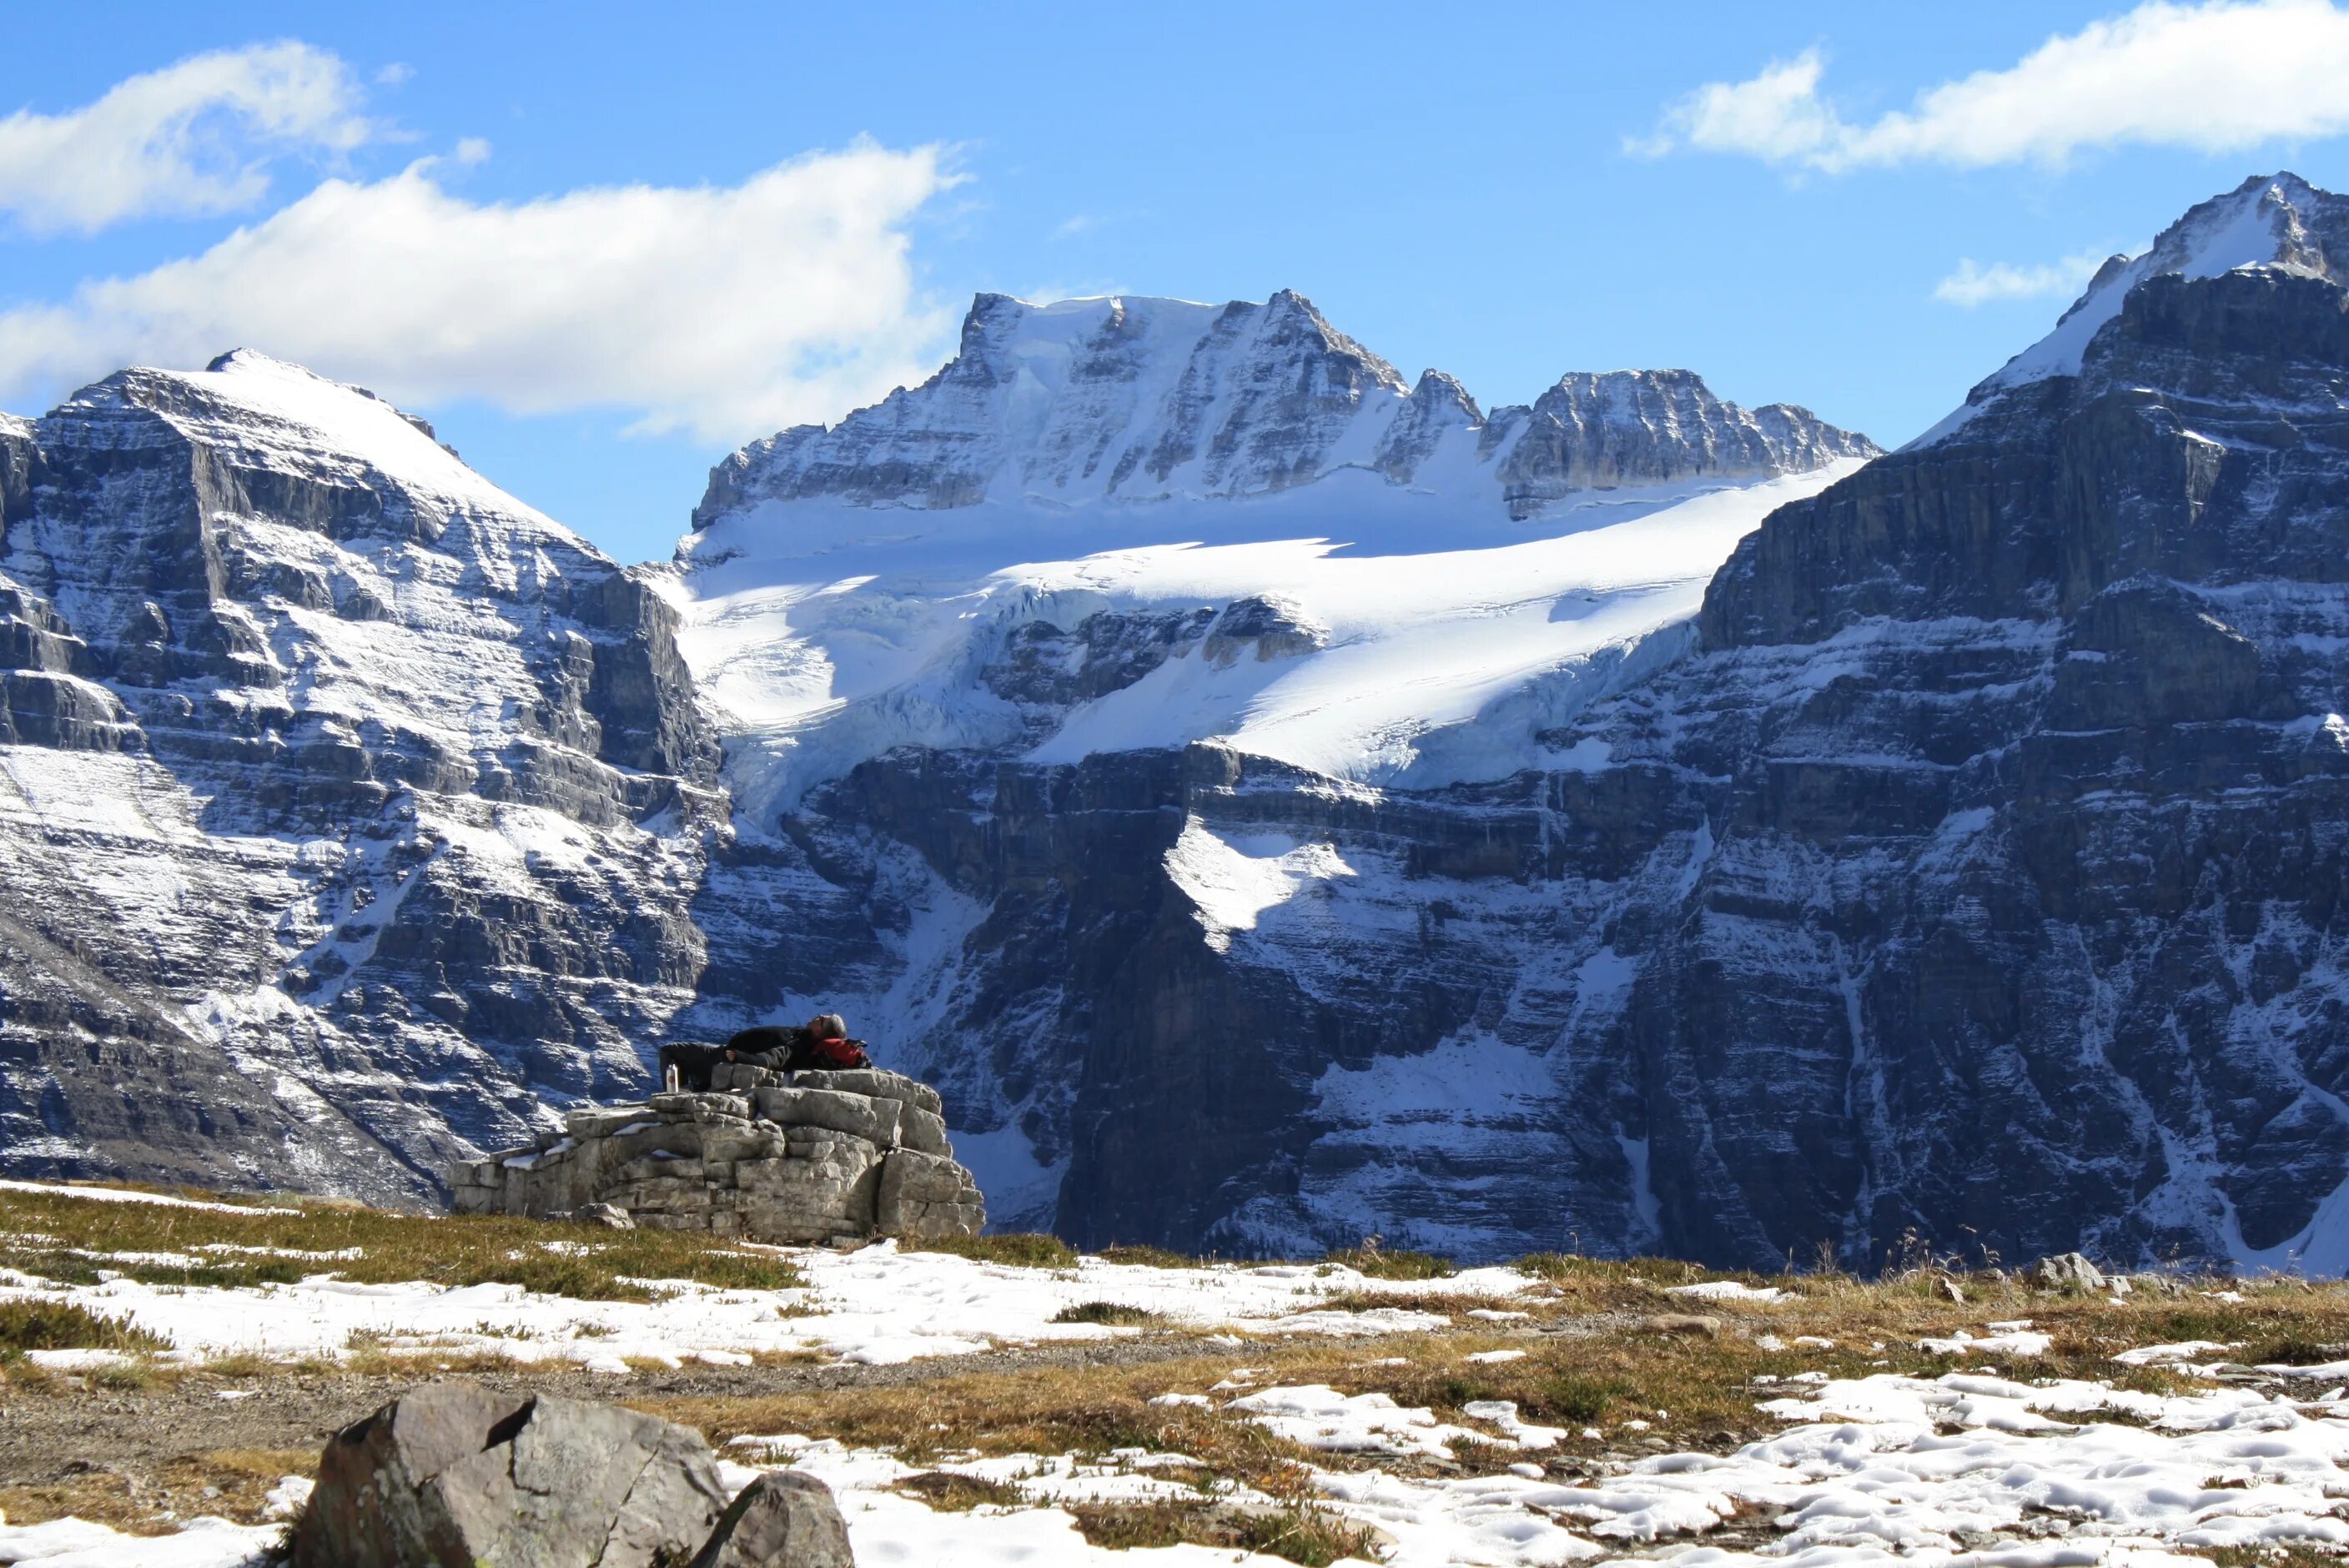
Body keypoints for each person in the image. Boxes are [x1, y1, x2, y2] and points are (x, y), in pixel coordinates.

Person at [656, 1013, 871, 1092]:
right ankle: (692, 1089)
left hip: (725, 1057)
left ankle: (676, 1096)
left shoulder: (799, 1045)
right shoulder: (803, 1038)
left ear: (820, 1030)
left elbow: (770, 1060)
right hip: (730, 1053)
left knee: (671, 1052)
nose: (818, 1016)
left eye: (822, 1019)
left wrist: (739, 1057)